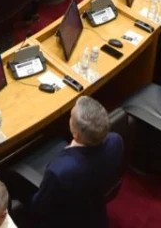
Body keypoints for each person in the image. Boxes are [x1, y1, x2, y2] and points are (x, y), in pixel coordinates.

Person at [29, 96, 124, 228]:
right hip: (96, 210)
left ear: (76, 135)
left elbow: (39, 207)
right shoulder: (116, 140)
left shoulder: (60, 171)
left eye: (70, 117)